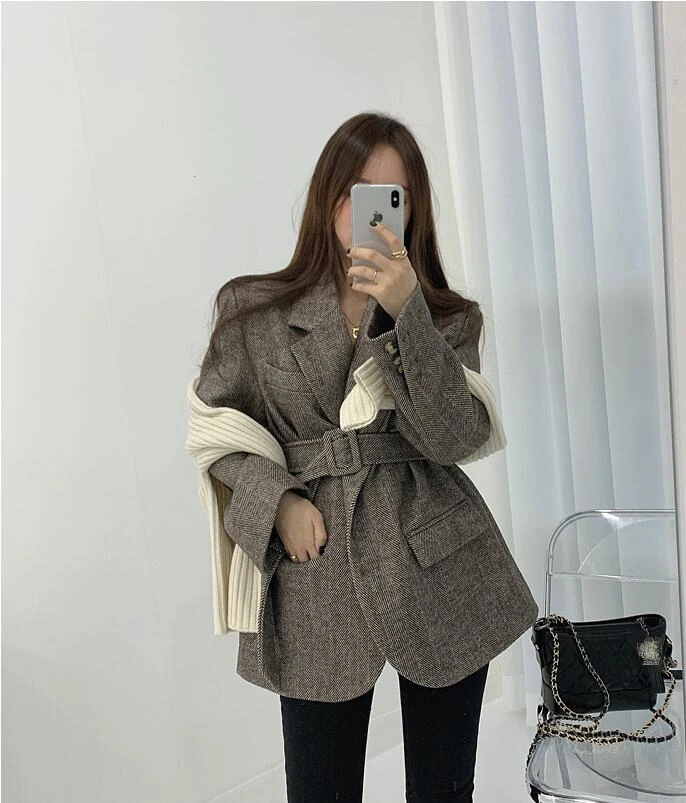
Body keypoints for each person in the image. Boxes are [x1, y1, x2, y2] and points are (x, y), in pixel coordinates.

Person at [192, 112, 539, 803]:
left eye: (392, 198)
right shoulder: (253, 312)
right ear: (329, 199)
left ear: (413, 213)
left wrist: (408, 315)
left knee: (443, 790)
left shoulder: (448, 318)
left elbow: (453, 438)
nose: (371, 214)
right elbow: (218, 435)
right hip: (314, 567)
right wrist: (278, 503)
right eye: (357, 193)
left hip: (436, 559)